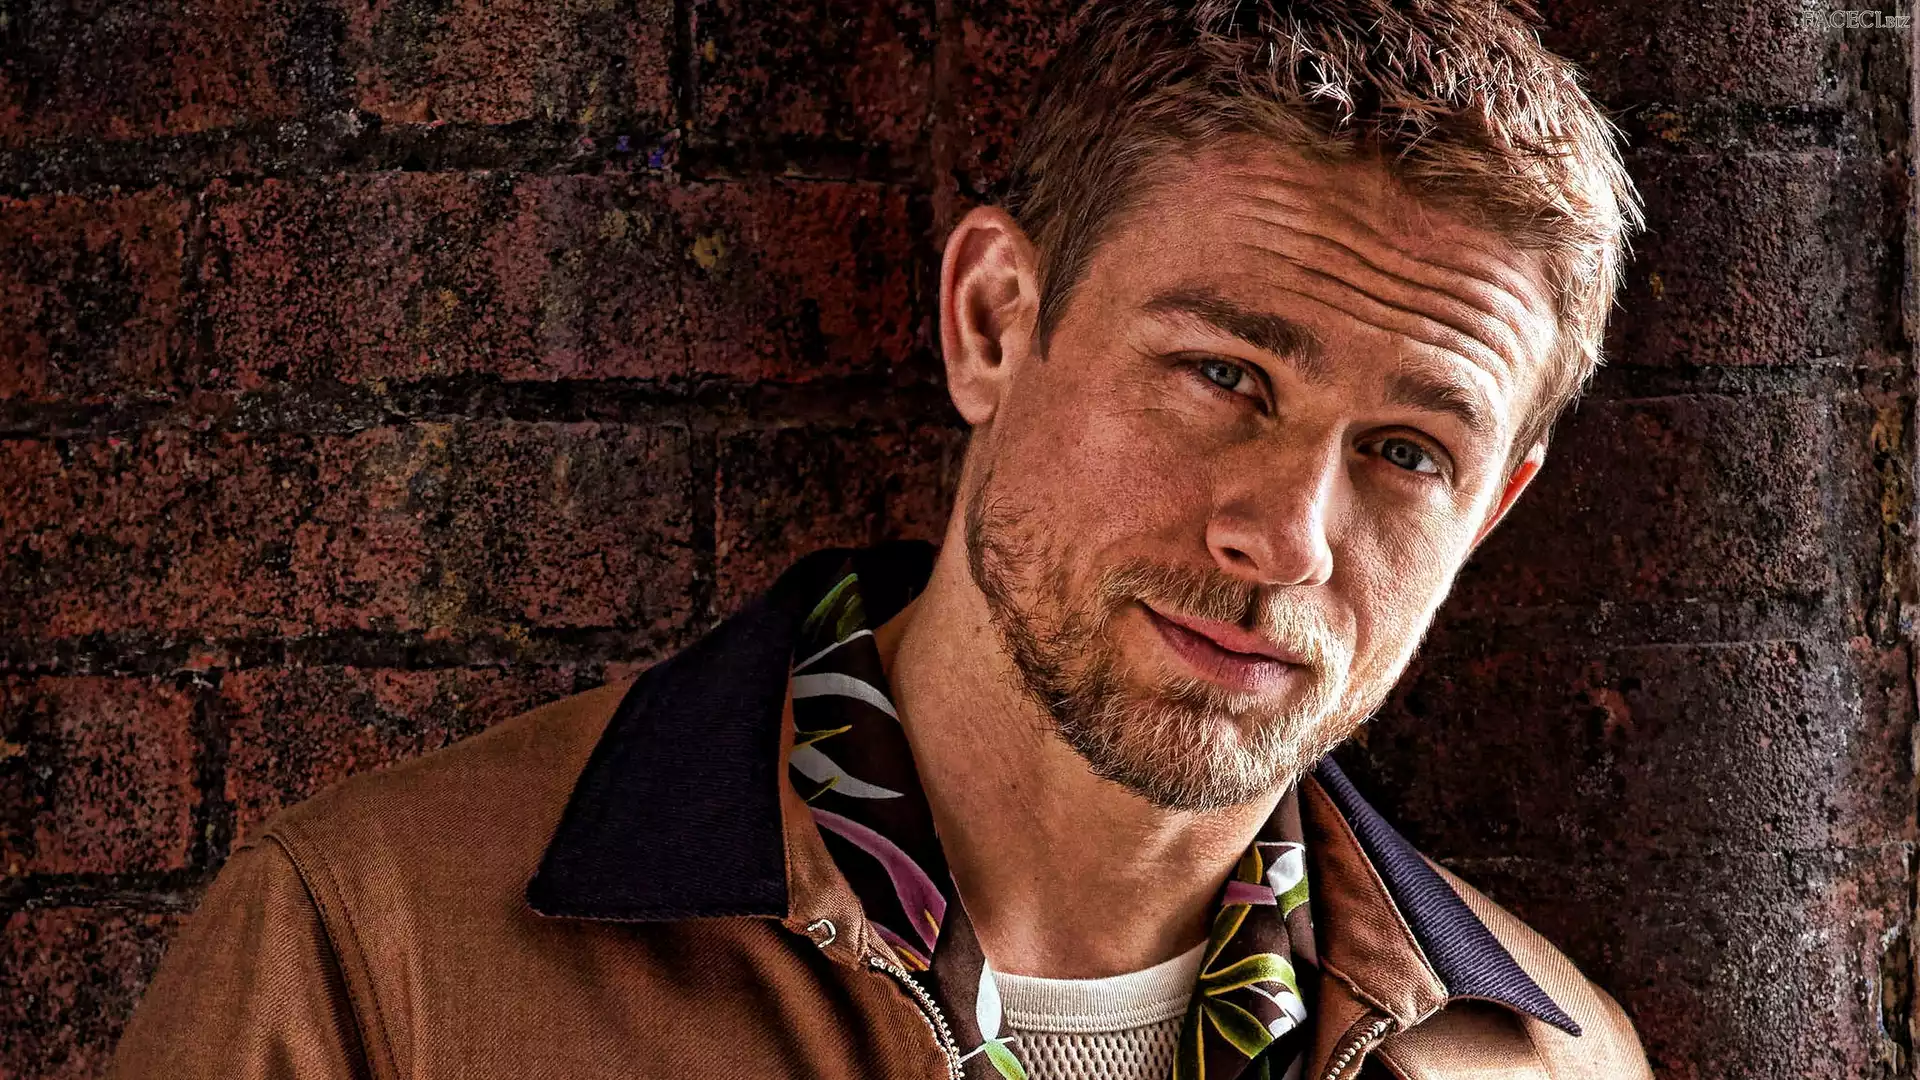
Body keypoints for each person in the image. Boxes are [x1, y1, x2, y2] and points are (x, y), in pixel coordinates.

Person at [108, 1, 1650, 1077]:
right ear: (993, 321)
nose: (1287, 538)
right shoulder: (377, 956)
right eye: (1223, 377)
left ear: (1492, 509)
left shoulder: (1552, 1065)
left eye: (1406, 454)